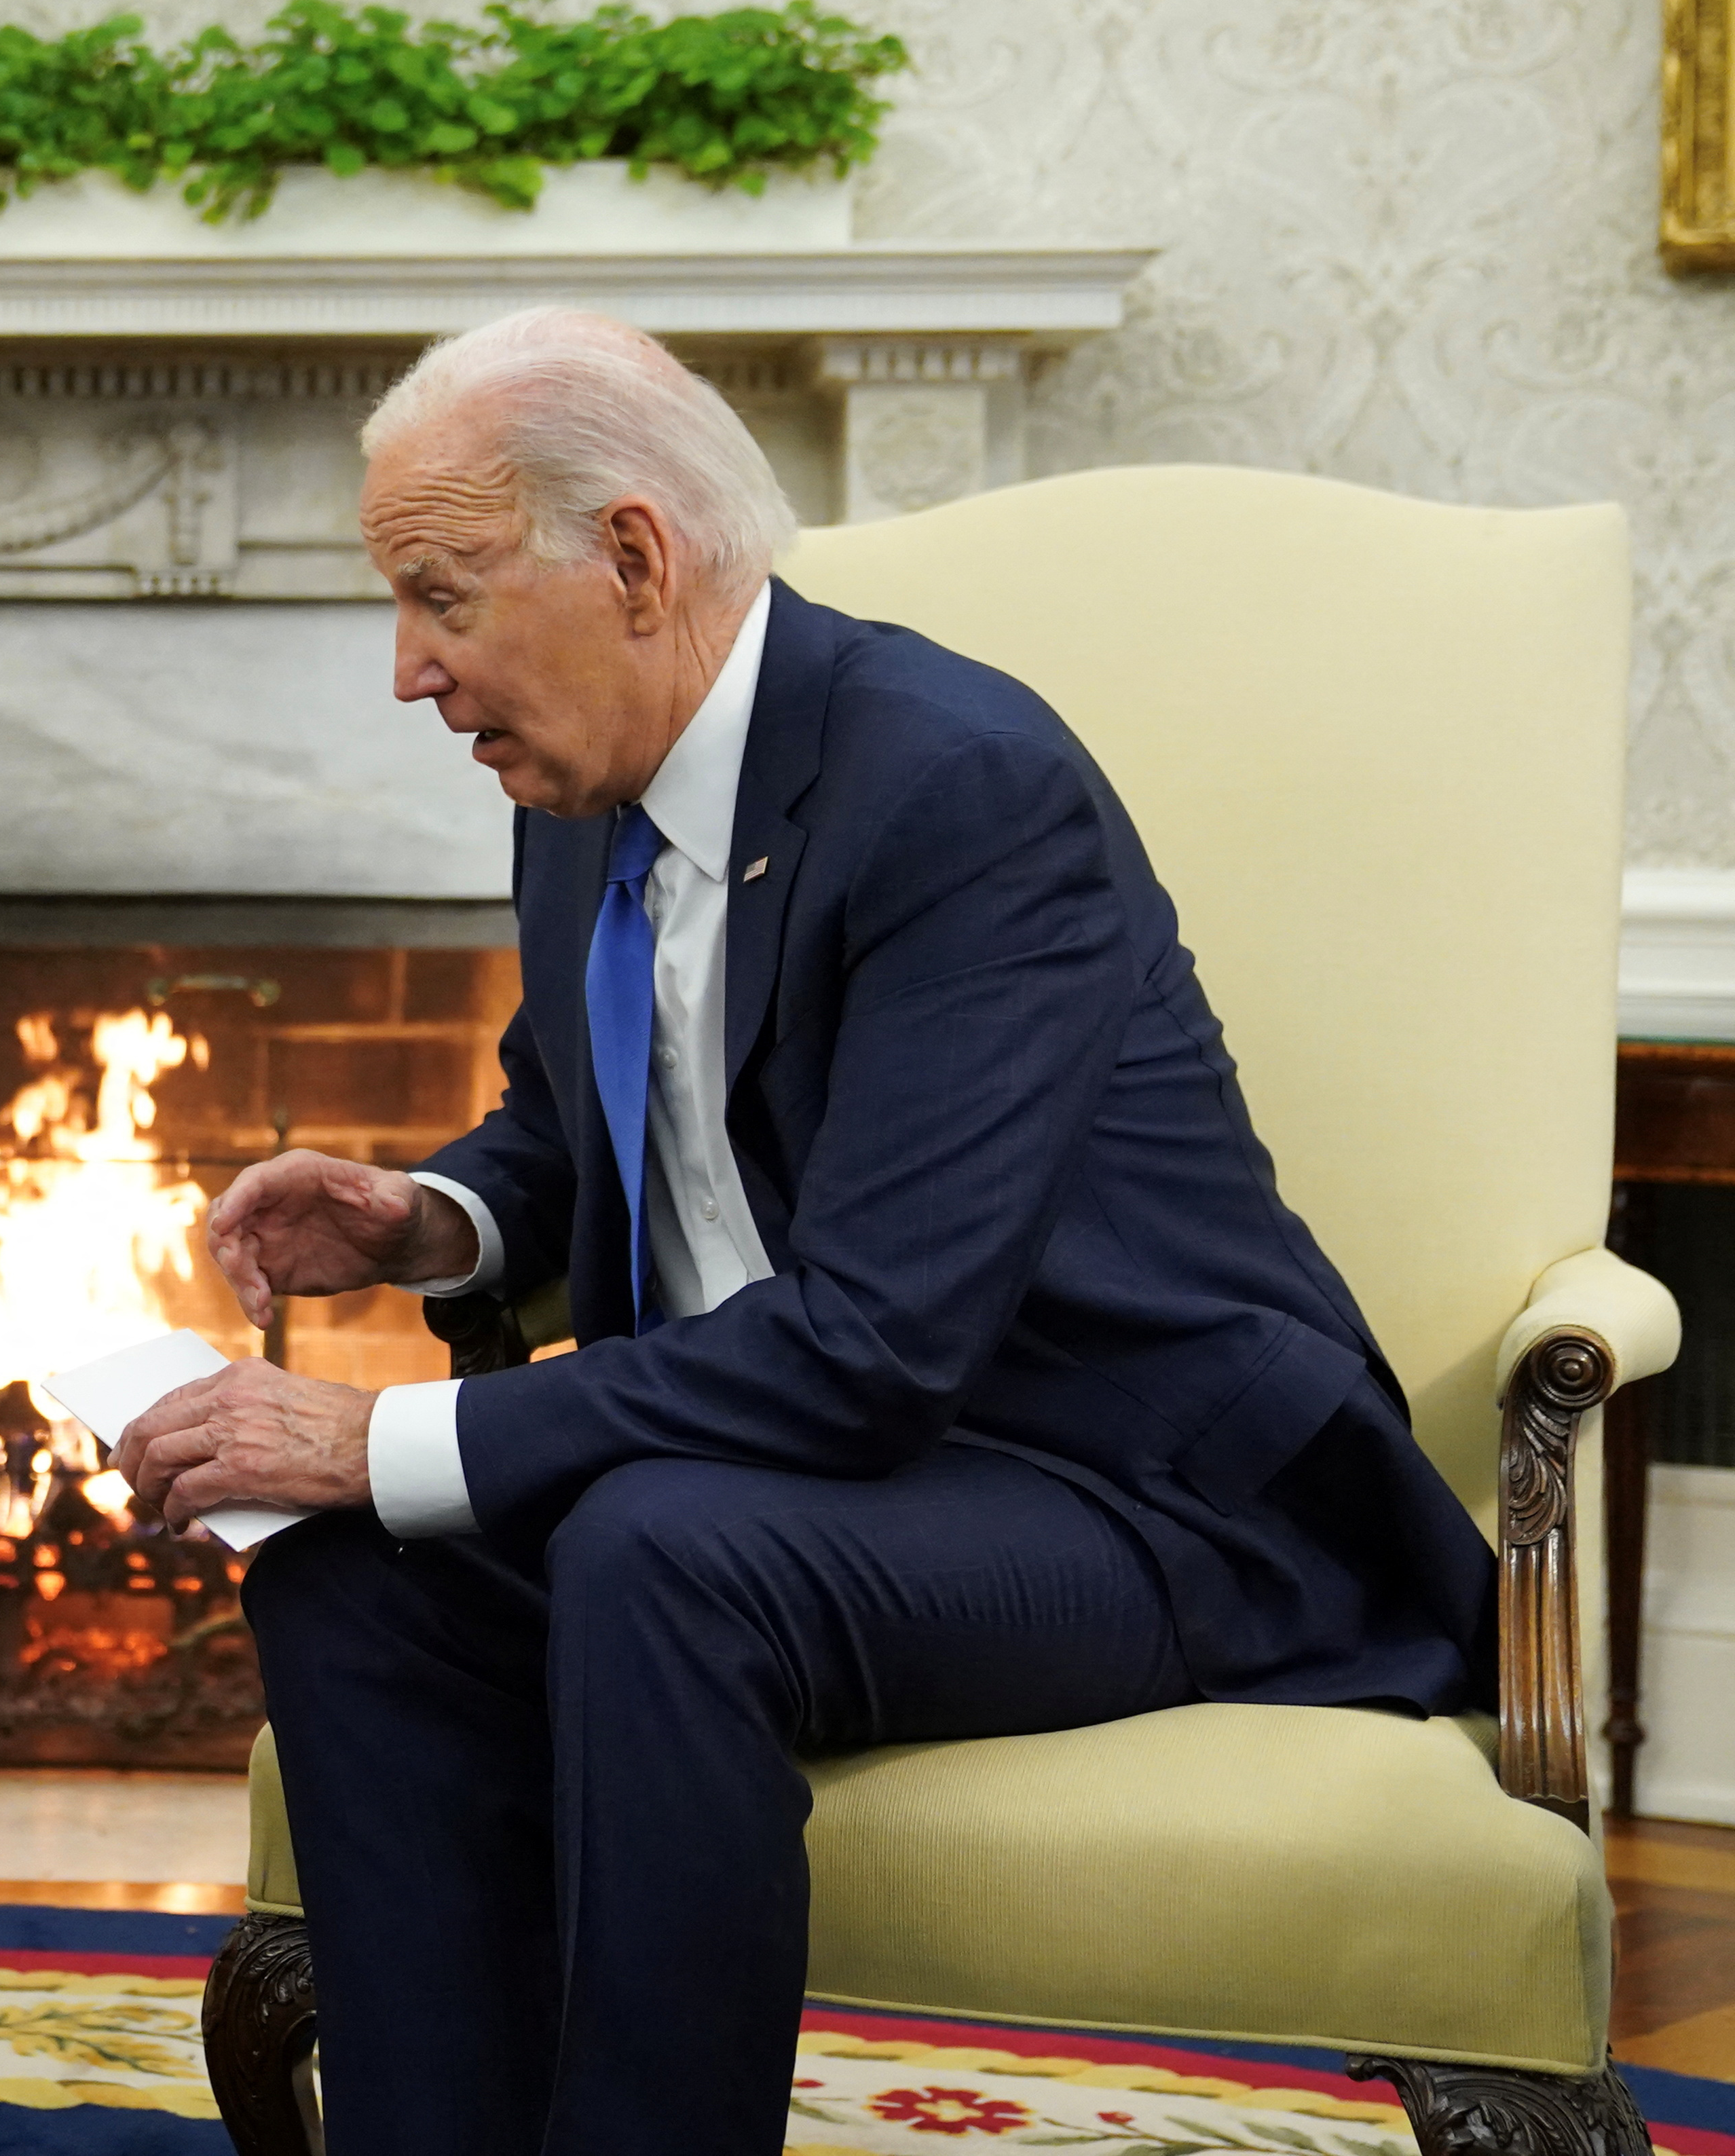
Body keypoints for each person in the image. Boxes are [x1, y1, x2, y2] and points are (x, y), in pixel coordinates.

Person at [115, 308, 1497, 2156]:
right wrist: (433, 1220)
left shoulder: (959, 789)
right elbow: (586, 1113)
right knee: (346, 1575)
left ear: (629, 558)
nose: (406, 671)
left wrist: (380, 1437)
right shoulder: (579, 786)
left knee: (657, 1553)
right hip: (797, 1473)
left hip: (1125, 1482)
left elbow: (875, 1346)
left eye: (437, 595)